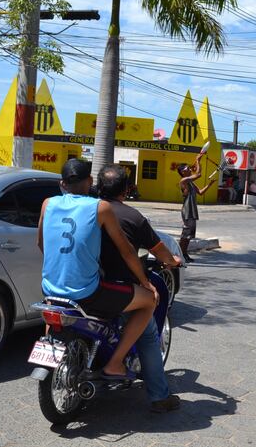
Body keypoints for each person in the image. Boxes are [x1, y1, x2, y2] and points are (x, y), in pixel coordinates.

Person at [38, 159, 158, 381]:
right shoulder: (101, 207)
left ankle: (54, 358)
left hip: (50, 289)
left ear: (62, 183)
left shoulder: (47, 204)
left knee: (53, 315)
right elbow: (127, 251)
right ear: (90, 181)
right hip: (86, 292)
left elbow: (41, 244)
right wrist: (145, 282)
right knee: (149, 300)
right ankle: (114, 364)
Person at [97, 164, 182, 413]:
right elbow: (156, 249)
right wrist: (172, 261)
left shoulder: (86, 210)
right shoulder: (132, 217)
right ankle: (159, 395)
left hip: (81, 282)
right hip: (119, 287)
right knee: (147, 333)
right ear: (126, 189)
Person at [177, 153, 214, 262]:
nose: (189, 168)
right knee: (185, 235)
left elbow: (201, 192)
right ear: (183, 172)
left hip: (192, 211)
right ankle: (179, 254)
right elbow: (198, 174)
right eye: (187, 168)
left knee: (189, 236)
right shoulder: (183, 181)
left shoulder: (191, 183)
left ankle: (185, 253)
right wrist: (198, 160)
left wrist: (210, 185)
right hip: (187, 211)